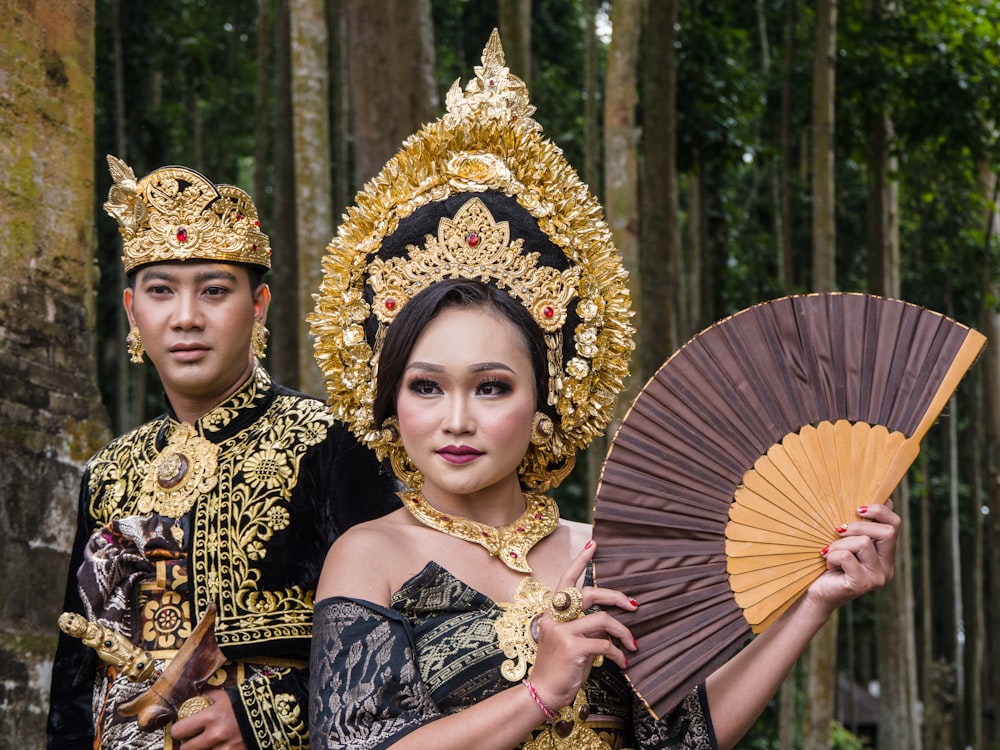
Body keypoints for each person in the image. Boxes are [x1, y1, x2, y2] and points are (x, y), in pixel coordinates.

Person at [306, 30, 900, 750]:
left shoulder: (605, 553)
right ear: (392, 402)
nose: (455, 420)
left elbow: (681, 740)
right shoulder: (371, 556)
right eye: (426, 388)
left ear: (545, 400)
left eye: (491, 388)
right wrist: (539, 692)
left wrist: (814, 605)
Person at [46, 157, 399, 750]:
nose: (186, 317)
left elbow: (392, 643)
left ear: (258, 306)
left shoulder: (328, 442)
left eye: (214, 291)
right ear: (133, 312)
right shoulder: (109, 471)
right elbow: (75, 682)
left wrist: (264, 715)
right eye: (161, 292)